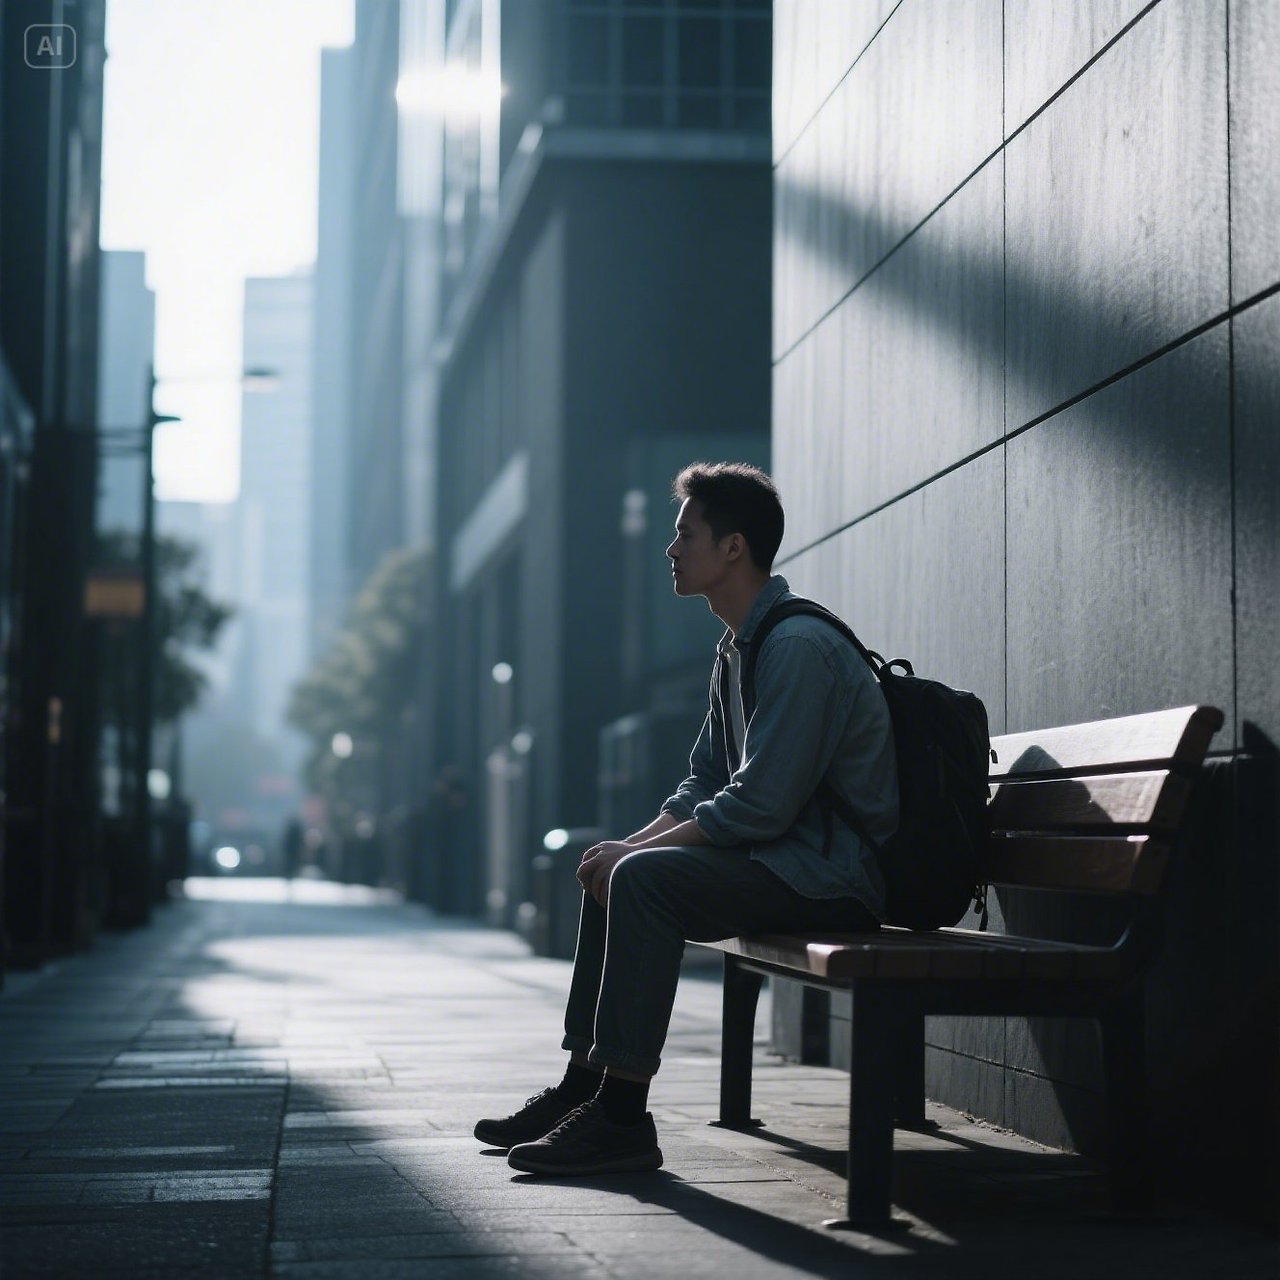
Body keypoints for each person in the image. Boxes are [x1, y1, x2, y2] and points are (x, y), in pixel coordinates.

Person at [475, 461, 899, 1176]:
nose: (671, 550)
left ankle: (621, 1118)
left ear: (733, 547)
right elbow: (702, 781)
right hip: (779, 862)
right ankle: (584, 1088)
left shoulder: (796, 648)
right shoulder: (737, 647)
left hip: (832, 876)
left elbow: (760, 803)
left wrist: (638, 860)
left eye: (685, 534)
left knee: (643, 880)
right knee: (612, 869)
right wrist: (623, 847)